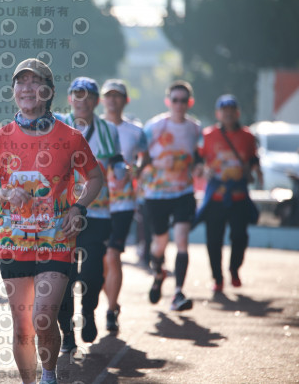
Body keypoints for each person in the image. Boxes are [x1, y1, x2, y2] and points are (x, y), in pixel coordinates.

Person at [0, 59, 103, 384]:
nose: (27, 88)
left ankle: (49, 376)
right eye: (21, 82)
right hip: (13, 242)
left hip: (56, 240)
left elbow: (95, 177)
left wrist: (79, 208)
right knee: (23, 327)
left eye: (35, 82)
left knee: (44, 317)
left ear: (49, 91)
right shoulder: (0, 138)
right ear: (13, 90)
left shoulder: (70, 137)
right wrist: (6, 193)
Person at [55, 77, 123, 350]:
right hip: (62, 214)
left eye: (88, 96)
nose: (82, 101)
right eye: (77, 95)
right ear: (69, 98)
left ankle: (89, 310)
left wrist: (124, 171)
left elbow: (116, 161)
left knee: (93, 273)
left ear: (96, 101)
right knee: (65, 275)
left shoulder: (108, 130)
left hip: (97, 213)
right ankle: (67, 331)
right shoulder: (56, 124)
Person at [142, 80, 202, 311]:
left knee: (182, 240)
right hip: (156, 193)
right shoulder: (155, 126)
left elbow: (198, 155)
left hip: (183, 192)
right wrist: (155, 164)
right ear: (168, 101)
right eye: (175, 100)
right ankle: (159, 274)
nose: (179, 104)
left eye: (183, 100)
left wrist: (199, 167)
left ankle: (178, 293)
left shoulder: (194, 128)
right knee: (159, 244)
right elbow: (141, 155)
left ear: (190, 102)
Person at [196, 95, 262, 292]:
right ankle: (217, 278)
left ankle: (234, 269)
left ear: (237, 113)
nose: (228, 115)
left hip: (238, 196)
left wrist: (255, 172)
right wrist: (202, 170)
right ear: (218, 114)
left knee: (240, 237)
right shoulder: (208, 135)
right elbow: (198, 159)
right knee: (213, 240)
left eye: (232, 111)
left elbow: (253, 158)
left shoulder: (247, 136)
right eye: (224, 111)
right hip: (216, 196)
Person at [100, 79, 148, 333]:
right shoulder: (92, 127)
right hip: (96, 203)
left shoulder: (135, 131)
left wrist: (137, 169)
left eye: (117, 95)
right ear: (102, 100)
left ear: (125, 100)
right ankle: (110, 299)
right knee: (98, 261)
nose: (112, 100)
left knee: (113, 255)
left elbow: (145, 155)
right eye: (108, 95)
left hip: (124, 203)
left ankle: (111, 310)